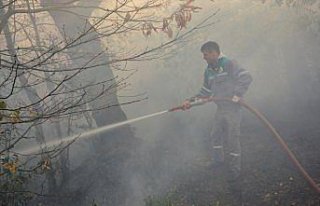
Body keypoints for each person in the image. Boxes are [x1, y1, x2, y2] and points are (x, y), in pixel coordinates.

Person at [182, 41, 253, 204]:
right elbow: (205, 92)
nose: (204, 57)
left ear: (214, 53)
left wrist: (237, 94)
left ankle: (234, 171)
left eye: (205, 54)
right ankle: (217, 161)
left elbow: (246, 77)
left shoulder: (229, 63)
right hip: (220, 108)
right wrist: (189, 102)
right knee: (215, 136)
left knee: (232, 139)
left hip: (233, 109)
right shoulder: (208, 71)